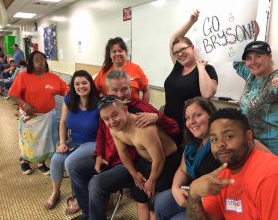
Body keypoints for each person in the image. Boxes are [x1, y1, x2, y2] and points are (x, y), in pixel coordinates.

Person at [69, 70, 179, 220]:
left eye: (124, 89)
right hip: (112, 158)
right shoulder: (106, 110)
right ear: (108, 91)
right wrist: (99, 154)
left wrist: (157, 117)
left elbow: (174, 129)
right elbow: (102, 134)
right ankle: (89, 213)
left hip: (139, 162)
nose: (120, 94)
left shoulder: (143, 111)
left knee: (97, 184)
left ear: (130, 89)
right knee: (75, 167)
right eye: (115, 90)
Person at [186, 108, 278, 220]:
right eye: (214, 140)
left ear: (248, 136)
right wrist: (193, 194)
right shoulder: (223, 177)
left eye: (229, 136)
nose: (220, 144)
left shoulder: (273, 179)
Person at [99, 96, 181, 220]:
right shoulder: (114, 128)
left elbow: (159, 159)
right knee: (140, 196)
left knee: (154, 200)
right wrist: (133, 173)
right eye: (106, 119)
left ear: (125, 109)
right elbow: (123, 152)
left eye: (114, 115)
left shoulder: (144, 128)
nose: (111, 121)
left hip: (168, 160)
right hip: (146, 161)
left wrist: (152, 180)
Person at [233, 39, 278, 167]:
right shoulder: (251, 75)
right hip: (256, 149)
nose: (253, 62)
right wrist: (251, 36)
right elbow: (236, 62)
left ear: (269, 57)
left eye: (258, 56)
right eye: (248, 58)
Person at [154, 97, 220, 220]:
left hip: (212, 202)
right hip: (192, 192)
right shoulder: (193, 143)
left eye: (198, 115)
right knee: (161, 201)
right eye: (187, 118)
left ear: (212, 115)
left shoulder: (220, 145)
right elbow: (182, 170)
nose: (191, 122)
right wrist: (175, 189)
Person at [44, 70, 99, 211]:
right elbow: (62, 122)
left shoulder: (99, 103)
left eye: (84, 83)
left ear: (91, 84)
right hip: (74, 140)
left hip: (93, 143)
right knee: (56, 159)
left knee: (70, 162)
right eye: (77, 84)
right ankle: (56, 193)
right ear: (73, 86)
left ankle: (79, 199)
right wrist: (62, 143)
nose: (81, 86)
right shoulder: (70, 100)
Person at [8, 51, 69, 174]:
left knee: (45, 141)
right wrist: (25, 105)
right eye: (36, 59)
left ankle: (41, 162)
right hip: (31, 117)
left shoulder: (53, 78)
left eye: (42, 59)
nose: (40, 61)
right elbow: (12, 94)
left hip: (48, 117)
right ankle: (24, 161)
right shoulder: (24, 77)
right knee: (30, 141)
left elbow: (66, 90)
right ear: (31, 62)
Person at [164, 10, 218, 147]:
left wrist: (200, 68)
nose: (180, 54)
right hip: (169, 125)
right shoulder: (177, 67)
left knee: (186, 160)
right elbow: (173, 38)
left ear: (192, 48)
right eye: (176, 52)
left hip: (191, 127)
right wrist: (191, 21)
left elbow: (207, 94)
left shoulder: (207, 69)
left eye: (183, 49)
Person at [94, 37, 150, 102]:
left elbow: (146, 90)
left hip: (133, 110)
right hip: (111, 110)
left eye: (120, 51)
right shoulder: (104, 70)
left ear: (125, 52)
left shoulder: (136, 68)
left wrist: (143, 108)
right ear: (110, 54)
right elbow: (94, 91)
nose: (117, 54)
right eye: (114, 51)